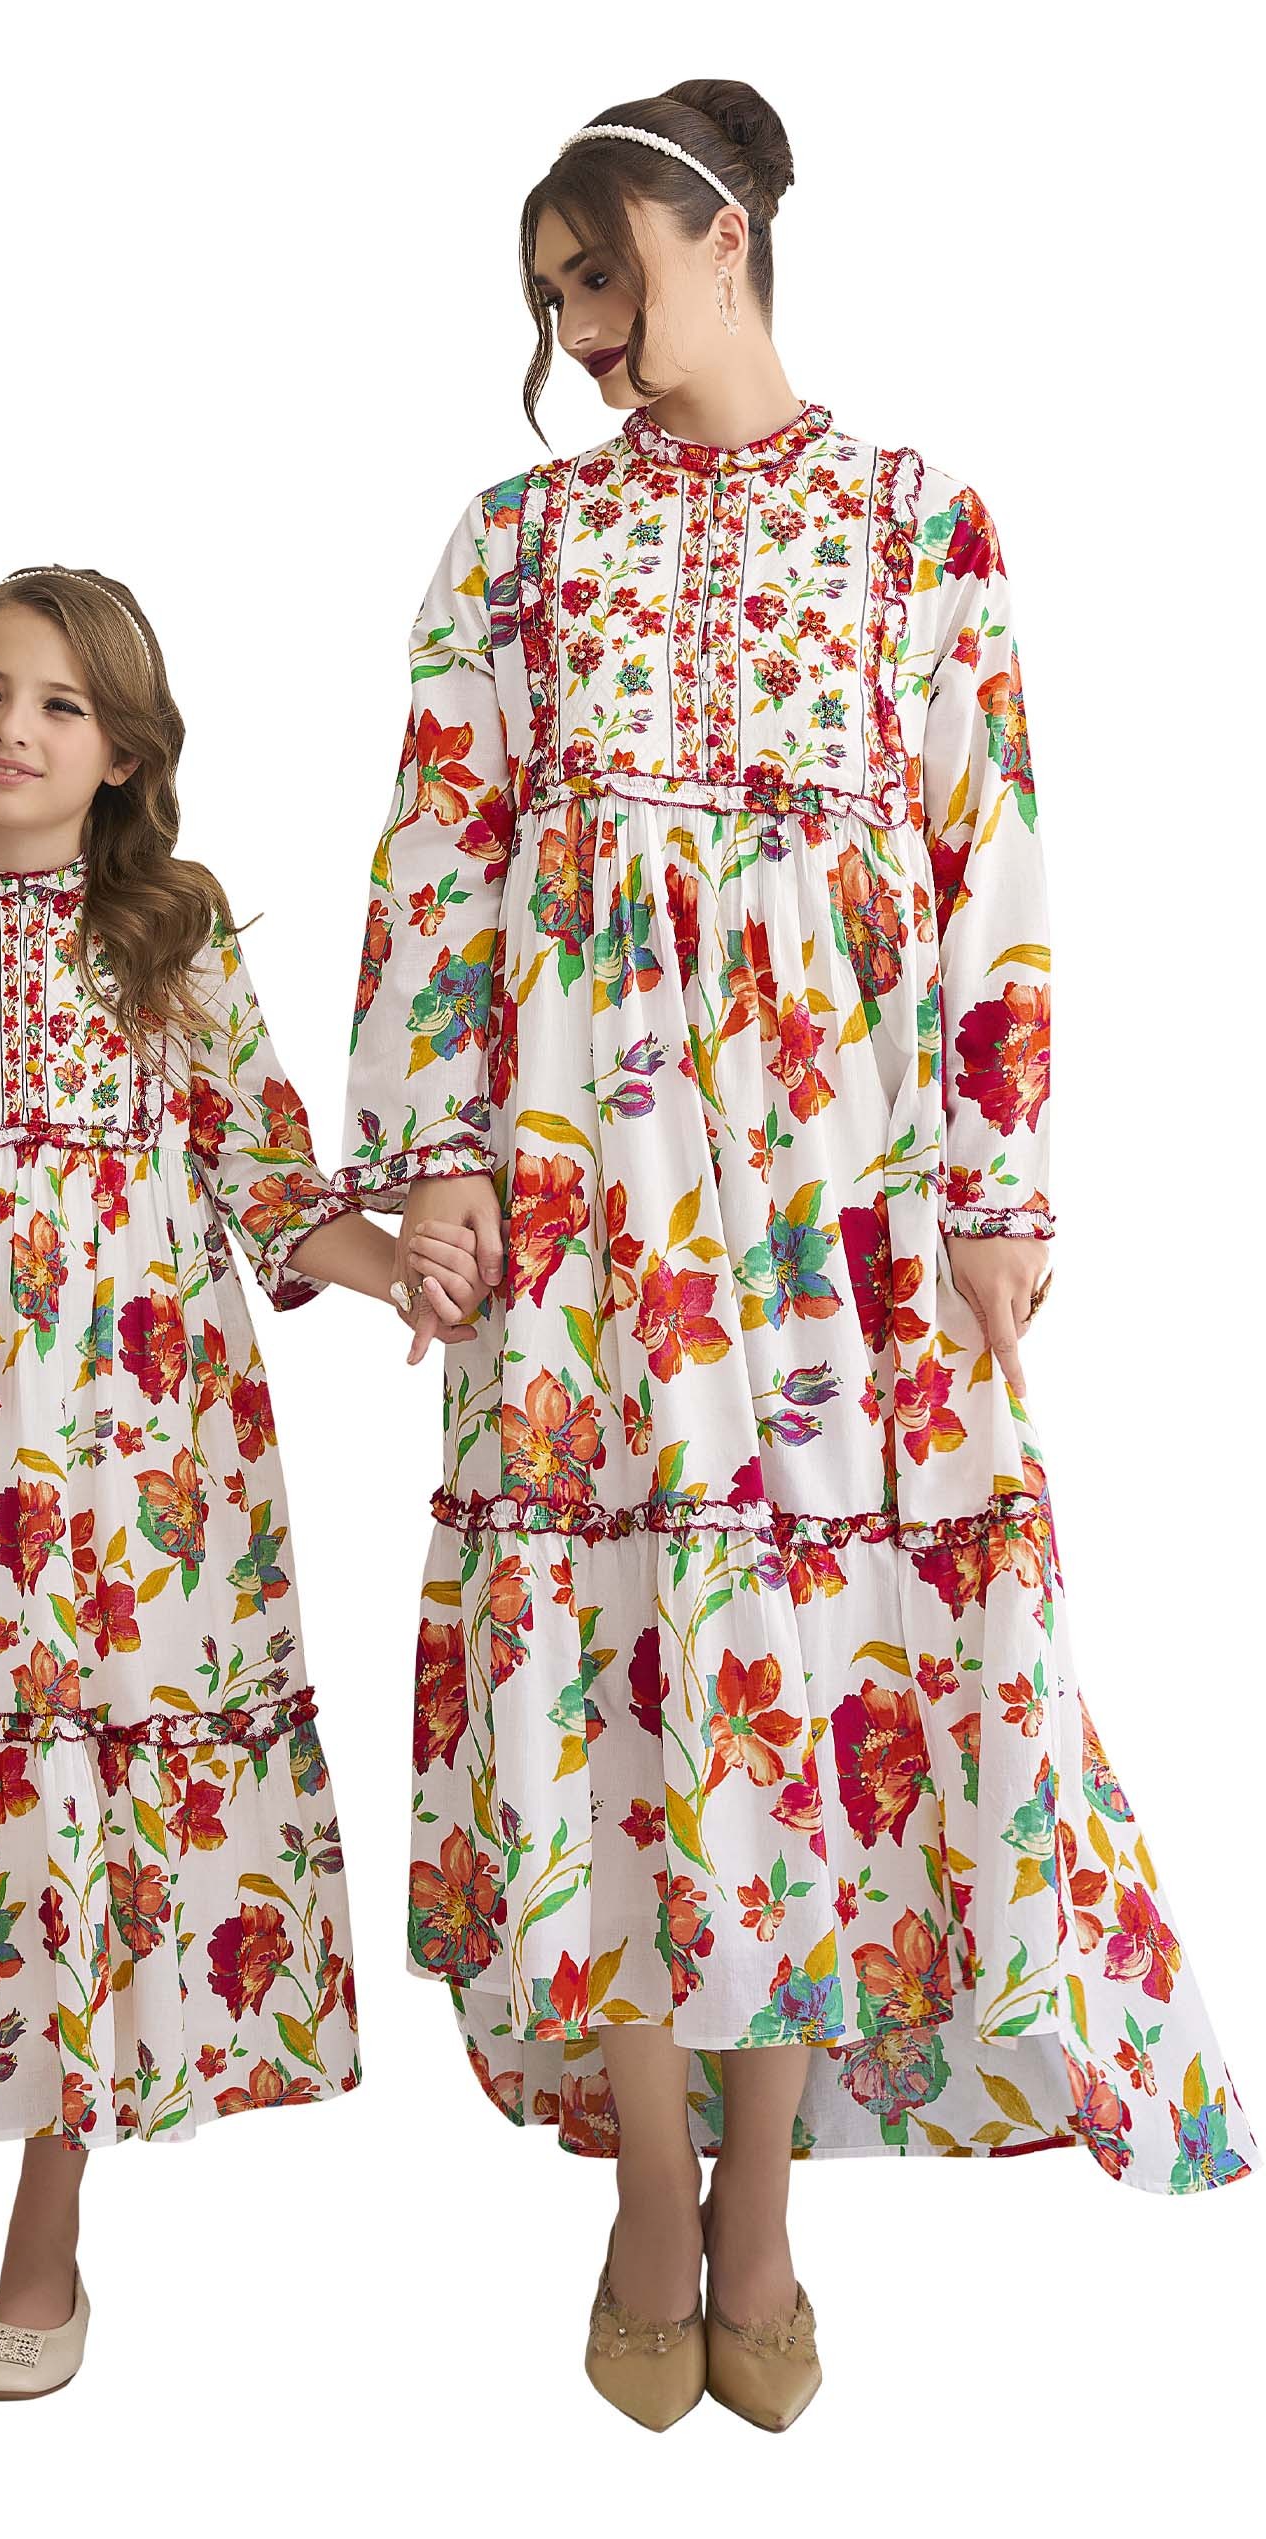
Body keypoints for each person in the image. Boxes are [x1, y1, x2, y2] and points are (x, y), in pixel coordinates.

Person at [336, 80, 1256, 2435]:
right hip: (582, 1207)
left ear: (719, 230)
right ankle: (650, 2185)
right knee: (625, 1676)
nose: (579, 325)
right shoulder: (515, 545)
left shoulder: (919, 522)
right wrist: (432, 1163)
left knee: (809, 1674)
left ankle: (760, 2194)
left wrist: (999, 1193)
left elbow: (988, 867)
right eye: (550, 294)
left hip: (846, 1212)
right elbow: (436, 862)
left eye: (602, 272)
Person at [0, 563, 453, 2452]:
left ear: (124, 750)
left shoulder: (173, 940)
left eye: (62, 705)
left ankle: (47, 2246)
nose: (15, 730)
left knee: (92, 1828)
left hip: (149, 1473)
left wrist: (415, 1267)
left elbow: (273, 1189)